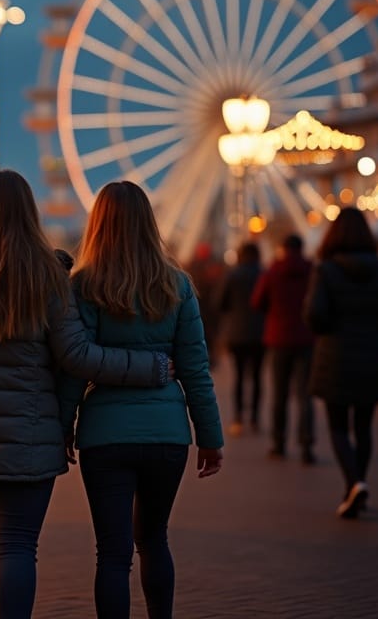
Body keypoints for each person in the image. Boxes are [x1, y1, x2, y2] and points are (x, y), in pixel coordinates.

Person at [0, 170, 172, 619]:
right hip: (31, 429)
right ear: (29, 212)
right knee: (16, 542)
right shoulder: (48, 271)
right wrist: (149, 368)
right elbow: (76, 355)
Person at [60, 180, 223, 619]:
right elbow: (194, 370)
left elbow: (76, 368)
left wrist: (64, 427)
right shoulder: (177, 286)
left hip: (105, 437)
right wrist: (210, 437)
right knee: (153, 539)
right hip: (167, 435)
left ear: (98, 224)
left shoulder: (84, 286)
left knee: (112, 553)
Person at [304, 207, 378, 518]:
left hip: (335, 354)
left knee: (339, 426)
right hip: (371, 353)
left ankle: (353, 482)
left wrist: (327, 329)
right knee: (364, 426)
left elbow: (314, 313)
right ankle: (359, 484)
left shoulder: (326, 270)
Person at [252, 232, 317, 464]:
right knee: (305, 395)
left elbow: (258, 301)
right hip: (306, 339)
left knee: (279, 394)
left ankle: (279, 442)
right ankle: (307, 444)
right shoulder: (312, 271)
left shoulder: (273, 272)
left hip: (279, 339)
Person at [216, 241, 266, 436]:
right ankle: (254, 418)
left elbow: (220, 302)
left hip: (236, 333)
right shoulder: (263, 273)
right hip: (260, 333)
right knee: (257, 376)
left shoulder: (233, 275)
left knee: (239, 376)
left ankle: (238, 417)